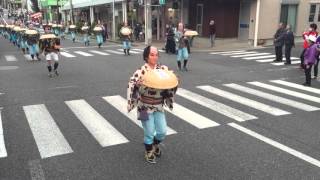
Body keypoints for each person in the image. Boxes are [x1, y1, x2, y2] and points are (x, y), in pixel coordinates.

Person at [127, 46, 178, 164]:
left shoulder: (163, 69)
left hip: (158, 106)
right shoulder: (140, 72)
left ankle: (155, 144)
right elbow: (131, 86)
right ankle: (149, 151)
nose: (155, 57)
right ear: (146, 56)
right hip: (144, 107)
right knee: (149, 131)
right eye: (152, 54)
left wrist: (174, 80)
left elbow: (172, 82)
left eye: (156, 54)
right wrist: (137, 85)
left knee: (162, 131)